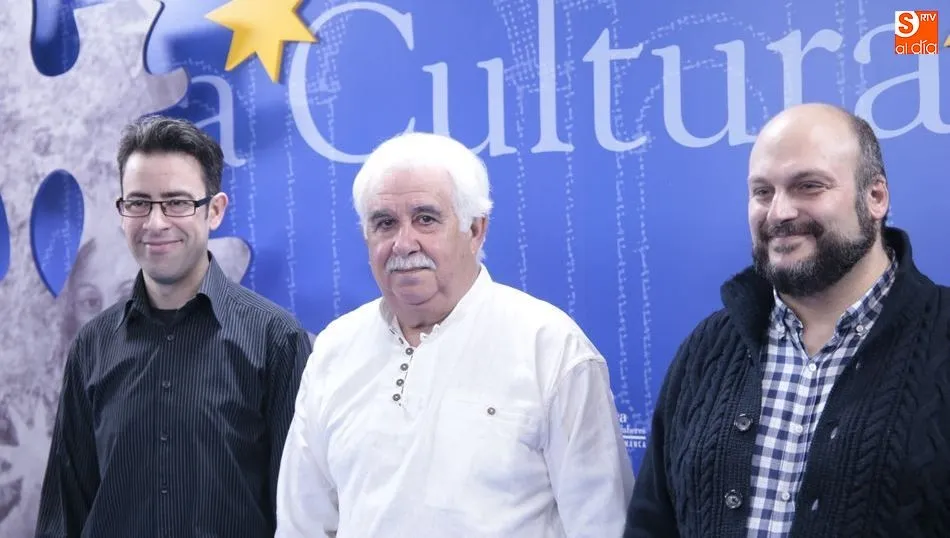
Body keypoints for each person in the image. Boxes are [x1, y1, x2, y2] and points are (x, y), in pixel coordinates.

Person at [275, 131, 634, 537]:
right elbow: (302, 525)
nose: (403, 243)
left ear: (476, 229)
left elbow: (603, 524)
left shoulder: (550, 348)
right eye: (384, 223)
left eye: (426, 219)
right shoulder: (334, 350)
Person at [623, 102, 950, 537]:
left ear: (875, 197)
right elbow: (651, 523)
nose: (779, 213)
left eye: (808, 186)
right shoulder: (707, 350)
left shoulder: (940, 341)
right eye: (763, 192)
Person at [34, 115, 312, 538]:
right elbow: (65, 510)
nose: (156, 223)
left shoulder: (276, 340)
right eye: (139, 202)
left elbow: (300, 511)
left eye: (177, 202)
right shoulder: (92, 344)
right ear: (122, 210)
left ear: (214, 211)